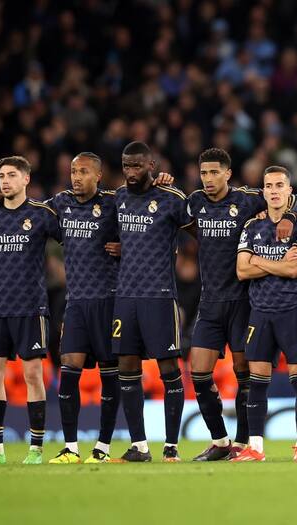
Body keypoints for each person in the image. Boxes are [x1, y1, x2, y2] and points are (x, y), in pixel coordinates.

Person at [0, 153, 173, 463]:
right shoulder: (60, 203)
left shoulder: (113, 201)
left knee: (110, 376)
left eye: (83, 171)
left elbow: (144, 225)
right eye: (73, 171)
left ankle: (103, 448)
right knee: (68, 371)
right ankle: (71, 448)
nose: (76, 176)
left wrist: (159, 184)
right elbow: (26, 205)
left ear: (98, 175)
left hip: (108, 300)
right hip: (76, 302)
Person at [186, 148, 297, 461]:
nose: (209, 179)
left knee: (245, 374)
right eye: (204, 173)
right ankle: (221, 440)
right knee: (198, 372)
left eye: (215, 172)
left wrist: (291, 216)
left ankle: (242, 443)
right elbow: (169, 220)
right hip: (210, 301)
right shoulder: (194, 203)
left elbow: (294, 199)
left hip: (243, 302)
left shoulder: (248, 199)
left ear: (228, 173)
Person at [0, 156, 61, 466]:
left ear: (25, 180)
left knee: (32, 373)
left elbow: (72, 241)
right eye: (1, 175)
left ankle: (35, 449)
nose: (5, 181)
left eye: (11, 175)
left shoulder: (42, 215)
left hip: (31, 308)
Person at [111, 141, 194, 462]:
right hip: (126, 296)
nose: (130, 172)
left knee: (169, 367)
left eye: (136, 166)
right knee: (127, 367)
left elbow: (199, 231)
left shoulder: (171, 198)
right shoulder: (118, 197)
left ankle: (171, 445)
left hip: (159, 297)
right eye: (126, 165)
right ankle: (139, 446)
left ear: (151, 166)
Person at [231, 166, 297, 462]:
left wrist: (258, 259)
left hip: (293, 310)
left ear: (290, 191)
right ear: (263, 191)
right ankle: (256, 448)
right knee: (257, 380)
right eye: (269, 185)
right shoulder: (251, 227)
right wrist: (275, 262)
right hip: (260, 312)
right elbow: (241, 271)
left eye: (281, 184)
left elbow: (293, 270)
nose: (275, 190)